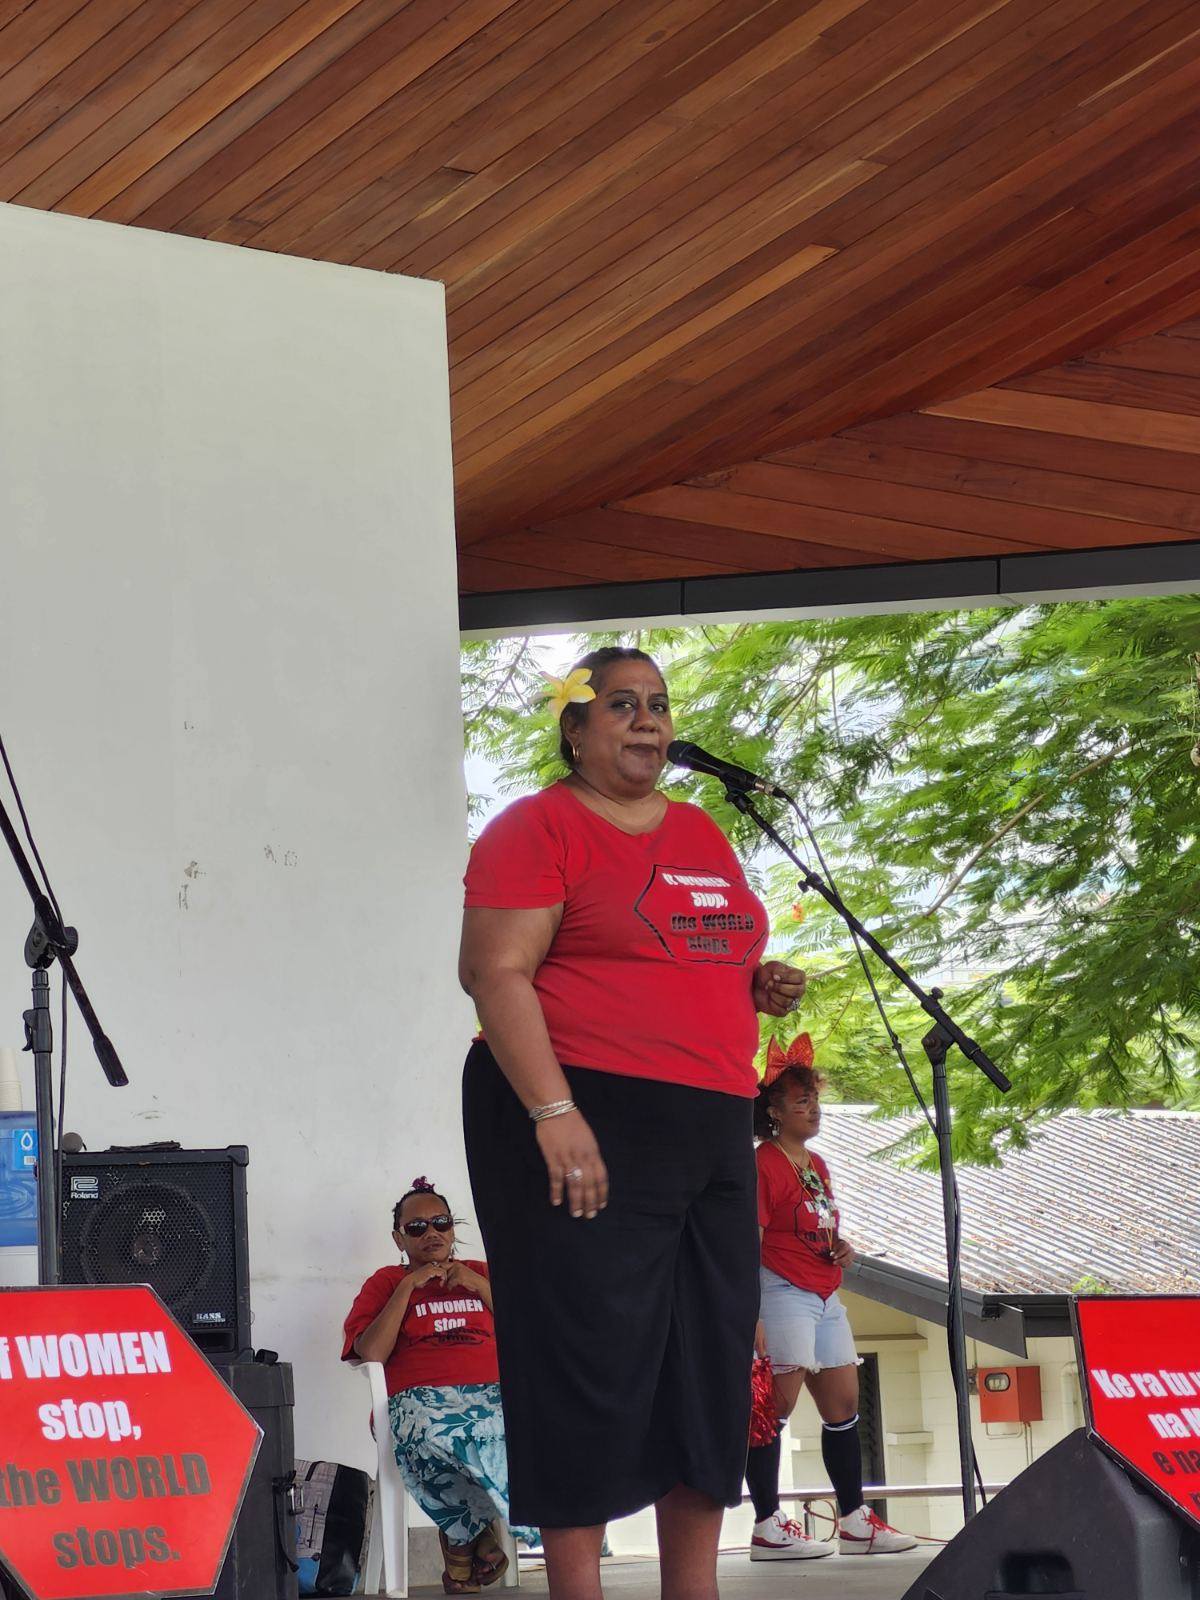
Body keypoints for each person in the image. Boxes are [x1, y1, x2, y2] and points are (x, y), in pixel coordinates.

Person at [458, 646, 807, 1600]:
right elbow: (495, 973)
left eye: (657, 704)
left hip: (707, 1124)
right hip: (582, 1112)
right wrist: (554, 1111)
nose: (649, 720)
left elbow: (682, 950)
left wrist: (751, 985)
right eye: (621, 705)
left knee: (707, 1358)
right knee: (587, 1355)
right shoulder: (537, 827)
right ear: (574, 730)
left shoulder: (700, 831)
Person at [747, 1036, 917, 1559]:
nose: (813, 1110)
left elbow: (816, 1224)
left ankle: (854, 1520)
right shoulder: (764, 1163)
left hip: (824, 1291)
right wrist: (750, 1314)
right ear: (773, 1111)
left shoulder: (816, 1163)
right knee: (775, 1405)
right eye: (801, 1102)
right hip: (780, 1289)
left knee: (844, 1403)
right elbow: (748, 1240)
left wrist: (840, 1247)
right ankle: (767, 1525)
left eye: (815, 1101)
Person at [341, 1178, 535, 1595]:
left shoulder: (483, 1273)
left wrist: (479, 1287)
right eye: (417, 1227)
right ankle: (476, 1535)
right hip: (418, 1400)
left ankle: (466, 1537)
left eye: (441, 1223)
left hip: (492, 1394)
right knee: (432, 1430)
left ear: (453, 1229)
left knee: (532, 1428)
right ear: (399, 1237)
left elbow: (532, 1332)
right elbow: (371, 1352)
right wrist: (407, 1287)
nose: (431, 1233)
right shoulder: (385, 1282)